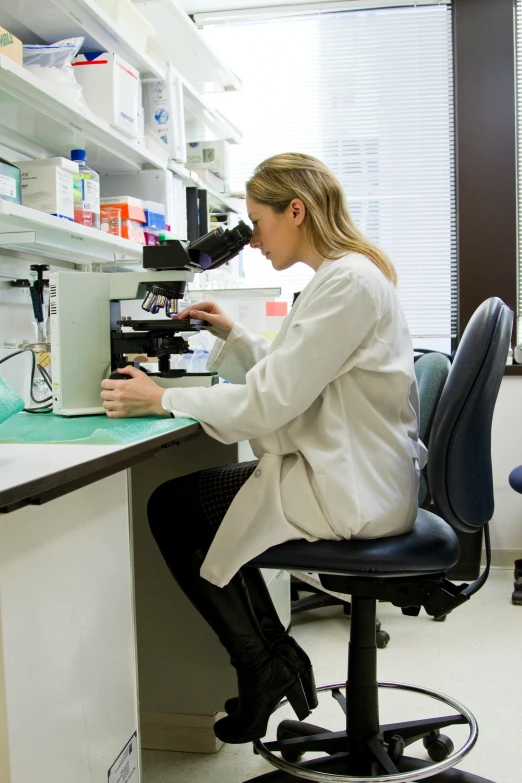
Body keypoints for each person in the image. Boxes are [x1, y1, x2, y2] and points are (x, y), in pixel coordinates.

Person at [100, 152, 426, 745]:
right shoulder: (344, 277)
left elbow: (271, 403)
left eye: (258, 222)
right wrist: (238, 335)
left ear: (295, 211)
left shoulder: (346, 283)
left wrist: (163, 397)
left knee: (173, 509)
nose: (252, 241)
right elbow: (297, 373)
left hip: (349, 486)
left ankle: (262, 662)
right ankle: (270, 657)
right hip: (351, 471)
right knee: (204, 509)